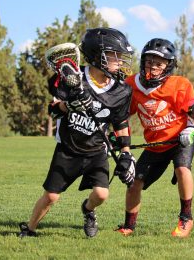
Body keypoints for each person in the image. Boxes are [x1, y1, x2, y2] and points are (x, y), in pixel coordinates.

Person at [18, 28, 136, 238]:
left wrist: (126, 152)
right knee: (52, 196)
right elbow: (53, 109)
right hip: (68, 149)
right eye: (114, 55)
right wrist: (68, 105)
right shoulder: (73, 77)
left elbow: (120, 122)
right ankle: (30, 229)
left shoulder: (122, 90)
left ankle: (88, 210)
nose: (120, 61)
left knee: (101, 194)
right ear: (97, 55)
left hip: (97, 151)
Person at [115, 38, 194, 238]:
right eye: (149, 61)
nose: (153, 67)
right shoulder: (131, 85)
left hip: (179, 139)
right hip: (155, 144)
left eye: (159, 63)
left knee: (182, 168)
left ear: (169, 66)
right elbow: (120, 116)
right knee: (134, 183)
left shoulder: (180, 84)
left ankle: (186, 218)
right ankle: (129, 226)